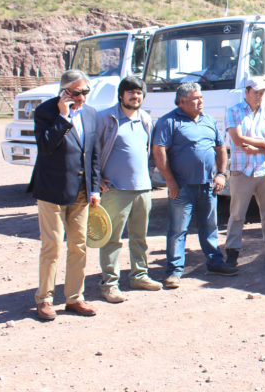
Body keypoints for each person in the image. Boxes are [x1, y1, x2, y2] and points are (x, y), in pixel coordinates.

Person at [29, 69, 101, 320]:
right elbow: (46, 146)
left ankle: (74, 298)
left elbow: (93, 153)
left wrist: (94, 188)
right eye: (76, 93)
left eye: (85, 92)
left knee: (79, 245)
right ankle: (45, 299)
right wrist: (63, 117)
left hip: (81, 191)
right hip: (52, 190)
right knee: (52, 245)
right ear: (64, 91)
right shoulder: (46, 112)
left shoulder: (92, 114)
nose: (81, 98)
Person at [152, 82, 237, 289]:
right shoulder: (168, 122)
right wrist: (170, 182)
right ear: (181, 102)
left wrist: (221, 174)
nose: (201, 101)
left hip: (208, 185)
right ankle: (174, 271)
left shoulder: (208, 120)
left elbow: (220, 148)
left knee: (210, 227)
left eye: (201, 97)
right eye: (196, 98)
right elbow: (159, 152)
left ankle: (215, 263)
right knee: (178, 230)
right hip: (182, 187)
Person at [96, 76, 162, 303]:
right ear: (121, 95)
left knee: (140, 237)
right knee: (111, 239)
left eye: (140, 93)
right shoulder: (106, 118)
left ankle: (139, 275)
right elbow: (92, 151)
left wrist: (150, 174)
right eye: (131, 93)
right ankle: (109, 284)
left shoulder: (145, 118)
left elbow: (150, 150)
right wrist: (96, 179)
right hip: (115, 189)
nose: (136, 97)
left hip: (142, 188)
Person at [224, 78, 265, 267]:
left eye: (261, 93)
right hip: (241, 170)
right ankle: (232, 253)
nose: (258, 96)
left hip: (264, 170)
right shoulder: (234, 111)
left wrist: (256, 148)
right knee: (237, 214)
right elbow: (237, 139)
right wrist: (263, 144)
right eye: (255, 92)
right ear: (247, 92)